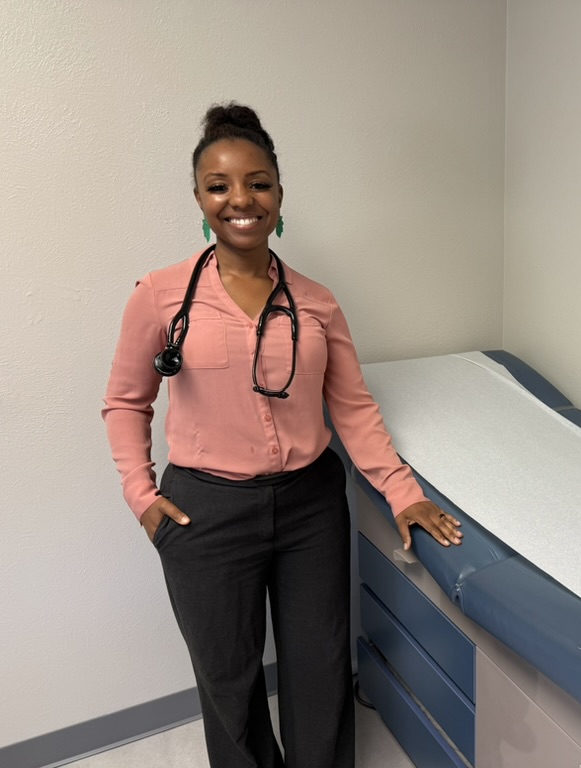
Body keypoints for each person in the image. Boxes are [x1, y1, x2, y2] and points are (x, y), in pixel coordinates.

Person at [102, 102, 461, 768]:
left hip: (310, 509)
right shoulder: (160, 296)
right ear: (200, 198)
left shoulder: (318, 302)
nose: (240, 199)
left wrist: (401, 493)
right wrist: (141, 496)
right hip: (204, 513)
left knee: (321, 669)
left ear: (279, 193)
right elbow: (125, 402)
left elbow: (353, 408)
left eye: (258, 182)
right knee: (229, 680)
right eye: (219, 185)